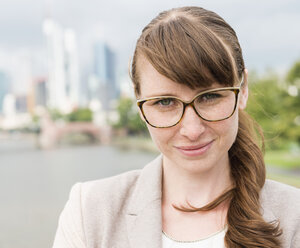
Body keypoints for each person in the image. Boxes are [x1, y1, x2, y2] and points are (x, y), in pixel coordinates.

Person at [53, 6, 300, 248]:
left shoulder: (294, 217)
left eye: (210, 97)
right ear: (139, 106)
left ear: (243, 89)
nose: (192, 130)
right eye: (165, 102)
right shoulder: (90, 213)